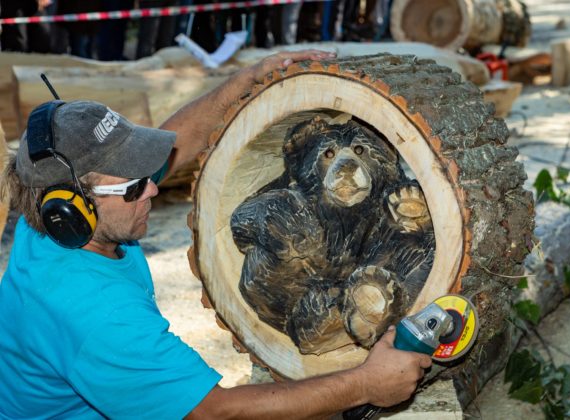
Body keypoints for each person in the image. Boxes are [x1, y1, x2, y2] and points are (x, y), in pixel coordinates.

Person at [0, 50, 432, 418]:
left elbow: (177, 143)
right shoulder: (95, 315)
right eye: (134, 185)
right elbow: (213, 411)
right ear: (71, 208)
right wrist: (366, 385)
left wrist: (245, 80)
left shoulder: (54, 215)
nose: (152, 185)